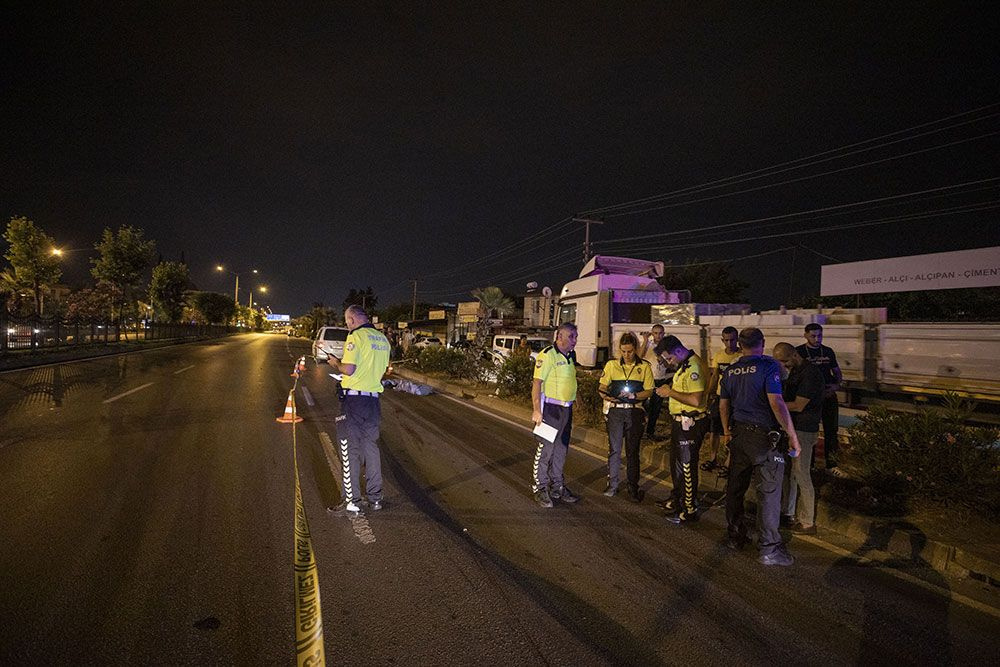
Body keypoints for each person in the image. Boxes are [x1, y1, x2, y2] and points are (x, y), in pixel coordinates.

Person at [719, 327, 802, 566]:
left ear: (740, 345)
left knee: (735, 488)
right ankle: (769, 548)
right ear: (762, 343)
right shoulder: (768, 367)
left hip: (739, 436)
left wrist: (726, 432)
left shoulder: (731, 370)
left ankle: (735, 536)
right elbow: (776, 403)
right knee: (769, 493)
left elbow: (723, 405)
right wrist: (793, 436)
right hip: (764, 439)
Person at [326, 305, 392, 516]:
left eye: (347, 322)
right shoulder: (382, 339)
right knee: (371, 448)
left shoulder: (356, 337)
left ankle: (351, 502)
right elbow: (379, 371)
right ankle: (375, 499)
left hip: (354, 402)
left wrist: (336, 363)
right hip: (373, 401)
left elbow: (350, 369)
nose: (347, 325)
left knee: (349, 450)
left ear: (353, 320)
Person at [653, 335, 709, 524]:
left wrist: (670, 392)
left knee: (686, 466)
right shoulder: (683, 366)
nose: (669, 362)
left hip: (690, 423)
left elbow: (695, 400)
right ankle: (677, 500)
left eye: (669, 358)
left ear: (678, 351)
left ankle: (690, 509)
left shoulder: (694, 367)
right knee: (676, 464)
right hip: (680, 422)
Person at [773, 343, 825, 535]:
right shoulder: (795, 371)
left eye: (785, 361)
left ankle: (807, 522)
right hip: (793, 428)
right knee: (789, 472)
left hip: (804, 429)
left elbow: (798, 405)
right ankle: (789, 513)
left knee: (802, 473)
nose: (784, 365)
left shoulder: (810, 374)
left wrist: (774, 405)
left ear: (794, 355)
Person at [599, 332, 655, 502]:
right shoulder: (611, 365)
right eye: (623, 351)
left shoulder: (644, 366)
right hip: (616, 411)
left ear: (636, 349)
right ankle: (613, 484)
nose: (626, 355)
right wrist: (606, 395)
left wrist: (635, 396)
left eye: (630, 351)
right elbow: (602, 386)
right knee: (614, 450)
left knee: (632, 451)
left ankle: (633, 486)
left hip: (634, 411)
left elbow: (649, 390)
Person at [530, 323, 581, 508]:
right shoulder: (547, 355)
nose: (575, 340)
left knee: (561, 450)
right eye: (571, 336)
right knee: (546, 450)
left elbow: (569, 380)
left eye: (576, 336)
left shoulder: (570, 356)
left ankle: (557, 486)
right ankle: (540, 487)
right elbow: (537, 383)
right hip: (550, 410)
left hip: (566, 411)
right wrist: (537, 409)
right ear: (559, 336)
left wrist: (576, 399)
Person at [796, 323, 845, 477]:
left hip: (829, 397)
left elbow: (837, 372)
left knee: (831, 431)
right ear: (805, 335)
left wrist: (836, 386)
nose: (817, 339)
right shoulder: (800, 352)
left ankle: (831, 465)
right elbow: (795, 375)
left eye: (820, 335)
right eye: (813, 336)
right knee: (809, 431)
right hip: (810, 400)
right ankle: (808, 465)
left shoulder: (828, 351)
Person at [701, 326, 741, 477]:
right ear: (722, 340)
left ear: (737, 339)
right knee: (714, 430)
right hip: (719, 397)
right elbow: (715, 376)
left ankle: (728, 463)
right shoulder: (719, 356)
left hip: (735, 399)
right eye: (726, 340)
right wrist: (709, 393)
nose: (729, 344)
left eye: (732, 340)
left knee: (731, 431)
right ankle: (713, 458)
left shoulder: (741, 356)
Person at [639, 324, 671, 441]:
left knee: (655, 409)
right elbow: (639, 356)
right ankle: (639, 430)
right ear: (652, 334)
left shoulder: (666, 347)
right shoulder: (649, 344)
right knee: (642, 406)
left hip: (660, 380)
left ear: (664, 333)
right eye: (656, 333)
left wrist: (663, 359)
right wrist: (645, 340)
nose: (658, 335)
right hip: (648, 380)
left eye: (660, 333)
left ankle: (650, 432)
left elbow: (669, 364)